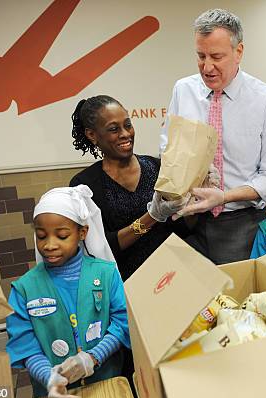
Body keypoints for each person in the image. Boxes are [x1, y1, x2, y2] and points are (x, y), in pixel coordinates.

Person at [159, 8, 266, 265]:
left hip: (241, 224)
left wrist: (224, 197)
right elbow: (168, 147)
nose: (207, 67)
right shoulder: (183, 90)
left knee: (237, 300)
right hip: (189, 221)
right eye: (200, 56)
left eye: (216, 56)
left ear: (238, 51)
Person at [6, 186, 130, 398]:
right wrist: (50, 379)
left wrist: (92, 357)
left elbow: (123, 323)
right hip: (54, 395)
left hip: (106, 383)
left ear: (82, 233)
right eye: (41, 236)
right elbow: (26, 346)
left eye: (62, 236)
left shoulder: (105, 274)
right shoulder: (24, 289)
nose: (50, 245)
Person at [69, 95, 186, 281]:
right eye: (114, 129)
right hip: (126, 284)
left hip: (174, 275)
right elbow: (102, 247)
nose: (125, 134)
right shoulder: (84, 186)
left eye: (128, 125)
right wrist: (152, 217)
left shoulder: (158, 168)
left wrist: (195, 198)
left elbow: (185, 228)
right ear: (92, 134)